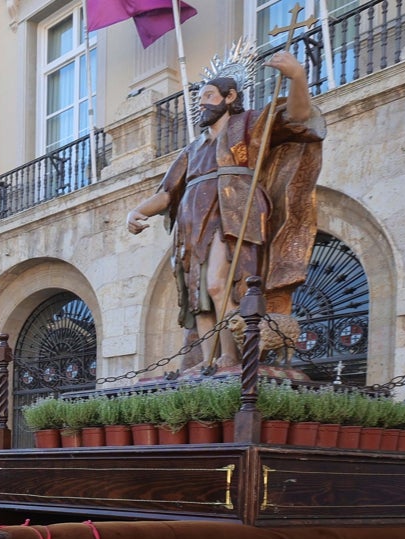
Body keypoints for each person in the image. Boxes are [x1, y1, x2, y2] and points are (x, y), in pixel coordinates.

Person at [126, 49, 325, 371]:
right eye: (199, 97)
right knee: (199, 297)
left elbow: (299, 118)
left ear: (230, 96)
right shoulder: (193, 149)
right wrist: (137, 211)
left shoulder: (250, 124)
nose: (200, 103)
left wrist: (298, 76)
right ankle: (208, 362)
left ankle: (232, 357)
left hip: (233, 214)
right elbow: (166, 192)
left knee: (222, 285)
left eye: (207, 96)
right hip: (191, 225)